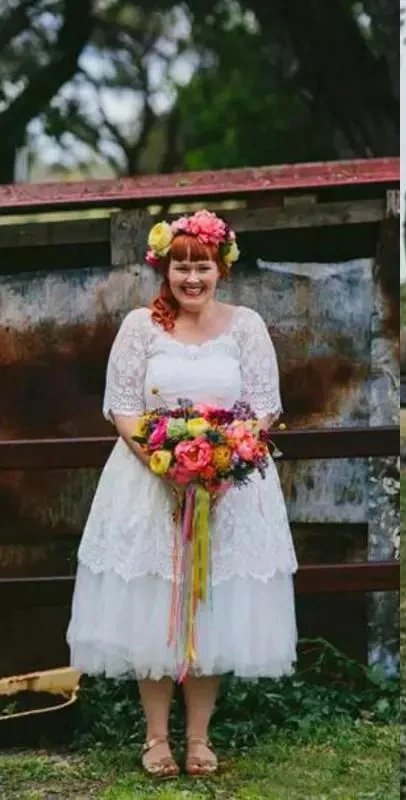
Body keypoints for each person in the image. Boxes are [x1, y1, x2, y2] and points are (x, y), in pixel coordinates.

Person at [66, 211, 298, 779]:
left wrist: (226, 460)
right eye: (181, 267)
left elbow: (266, 405)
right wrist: (165, 464)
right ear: (164, 268)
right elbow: (122, 406)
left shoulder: (246, 326)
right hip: (148, 484)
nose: (191, 278)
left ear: (222, 268)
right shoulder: (141, 327)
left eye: (203, 267)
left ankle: (198, 739)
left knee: (212, 602)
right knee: (154, 599)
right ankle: (154, 739)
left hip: (231, 487)